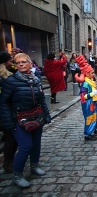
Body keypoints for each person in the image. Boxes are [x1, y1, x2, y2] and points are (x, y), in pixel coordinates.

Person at [0, 53, 51, 188]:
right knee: (25, 146)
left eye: (23, 62)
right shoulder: (10, 81)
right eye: (18, 63)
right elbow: (3, 103)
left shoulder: (35, 80)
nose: (20, 64)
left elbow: (41, 100)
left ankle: (34, 165)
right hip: (18, 119)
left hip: (35, 117)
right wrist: (8, 122)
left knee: (36, 144)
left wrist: (46, 115)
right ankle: (17, 175)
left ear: (30, 64)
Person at [74, 55, 97, 141]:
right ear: (87, 74)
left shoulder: (91, 82)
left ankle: (93, 129)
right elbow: (83, 96)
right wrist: (92, 94)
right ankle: (88, 134)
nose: (94, 74)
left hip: (93, 102)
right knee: (90, 118)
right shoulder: (86, 84)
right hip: (88, 104)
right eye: (92, 73)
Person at [0, 51, 17, 174]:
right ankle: (8, 163)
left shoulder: (7, 76)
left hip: (7, 112)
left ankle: (9, 162)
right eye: (10, 61)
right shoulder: (3, 79)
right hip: (4, 113)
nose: (12, 63)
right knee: (11, 139)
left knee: (11, 138)